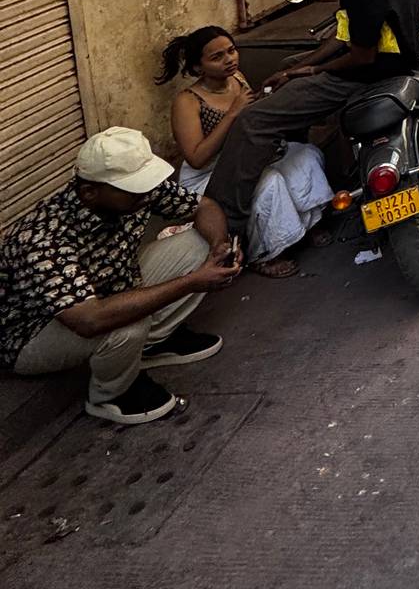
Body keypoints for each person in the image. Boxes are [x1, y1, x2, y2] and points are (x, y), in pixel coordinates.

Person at [200, 0, 419, 237]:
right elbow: (345, 35)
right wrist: (298, 68)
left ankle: (227, 224)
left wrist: (314, 70)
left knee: (253, 121)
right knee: (286, 66)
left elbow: (361, 56)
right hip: (386, 60)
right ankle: (300, 177)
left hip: (369, 73)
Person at [1, 127, 241, 425]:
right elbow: (88, 320)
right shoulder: (43, 239)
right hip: (31, 336)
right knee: (128, 324)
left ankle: (153, 343)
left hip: (106, 290)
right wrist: (193, 281)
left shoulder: (135, 194)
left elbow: (204, 207)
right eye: (135, 188)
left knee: (200, 244)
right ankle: (110, 395)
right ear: (90, 192)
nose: (148, 193)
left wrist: (219, 247)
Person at [160, 25, 333, 280]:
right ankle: (265, 252)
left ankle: (308, 223)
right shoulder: (187, 101)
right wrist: (233, 114)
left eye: (231, 51)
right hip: (212, 173)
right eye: (217, 57)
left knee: (304, 155)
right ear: (198, 67)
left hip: (250, 155)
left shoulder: (237, 79)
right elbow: (197, 158)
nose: (229, 59)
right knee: (269, 182)